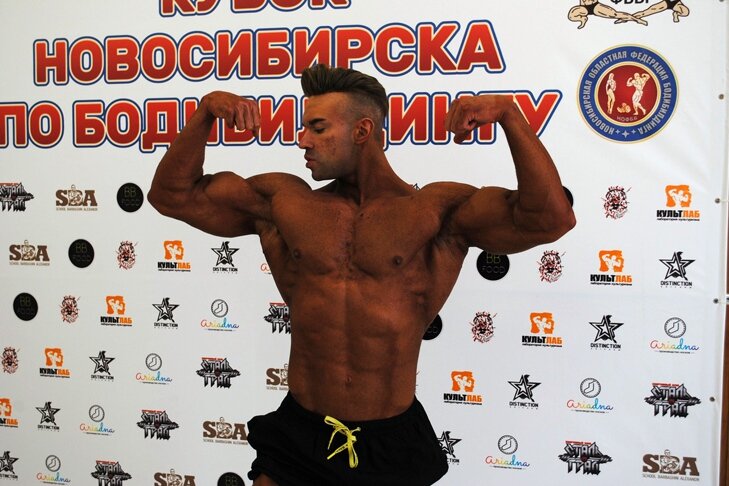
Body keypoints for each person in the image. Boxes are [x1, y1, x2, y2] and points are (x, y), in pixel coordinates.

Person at [148, 64, 576, 485]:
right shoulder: (285, 203)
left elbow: (550, 219)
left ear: (362, 131)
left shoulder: (435, 211)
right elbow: (173, 196)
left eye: (317, 128)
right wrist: (205, 112)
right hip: (300, 435)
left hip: (391, 441)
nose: (302, 140)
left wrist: (509, 115)